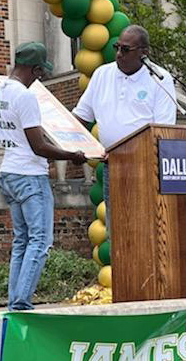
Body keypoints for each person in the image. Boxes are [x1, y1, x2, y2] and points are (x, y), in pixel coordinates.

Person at [0, 42, 87, 310]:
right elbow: (39, 146)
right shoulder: (26, 96)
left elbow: (21, 134)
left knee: (22, 240)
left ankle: (14, 300)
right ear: (33, 68)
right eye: (40, 72)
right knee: (40, 241)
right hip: (30, 175)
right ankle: (21, 303)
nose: (40, 78)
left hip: (9, 172)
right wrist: (73, 155)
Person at [73, 25, 177, 230]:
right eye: (116, 47)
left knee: (145, 230)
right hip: (112, 167)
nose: (119, 54)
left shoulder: (160, 79)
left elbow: (163, 132)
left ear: (144, 53)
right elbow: (80, 117)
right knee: (117, 231)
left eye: (126, 49)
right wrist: (67, 139)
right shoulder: (102, 74)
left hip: (146, 168)